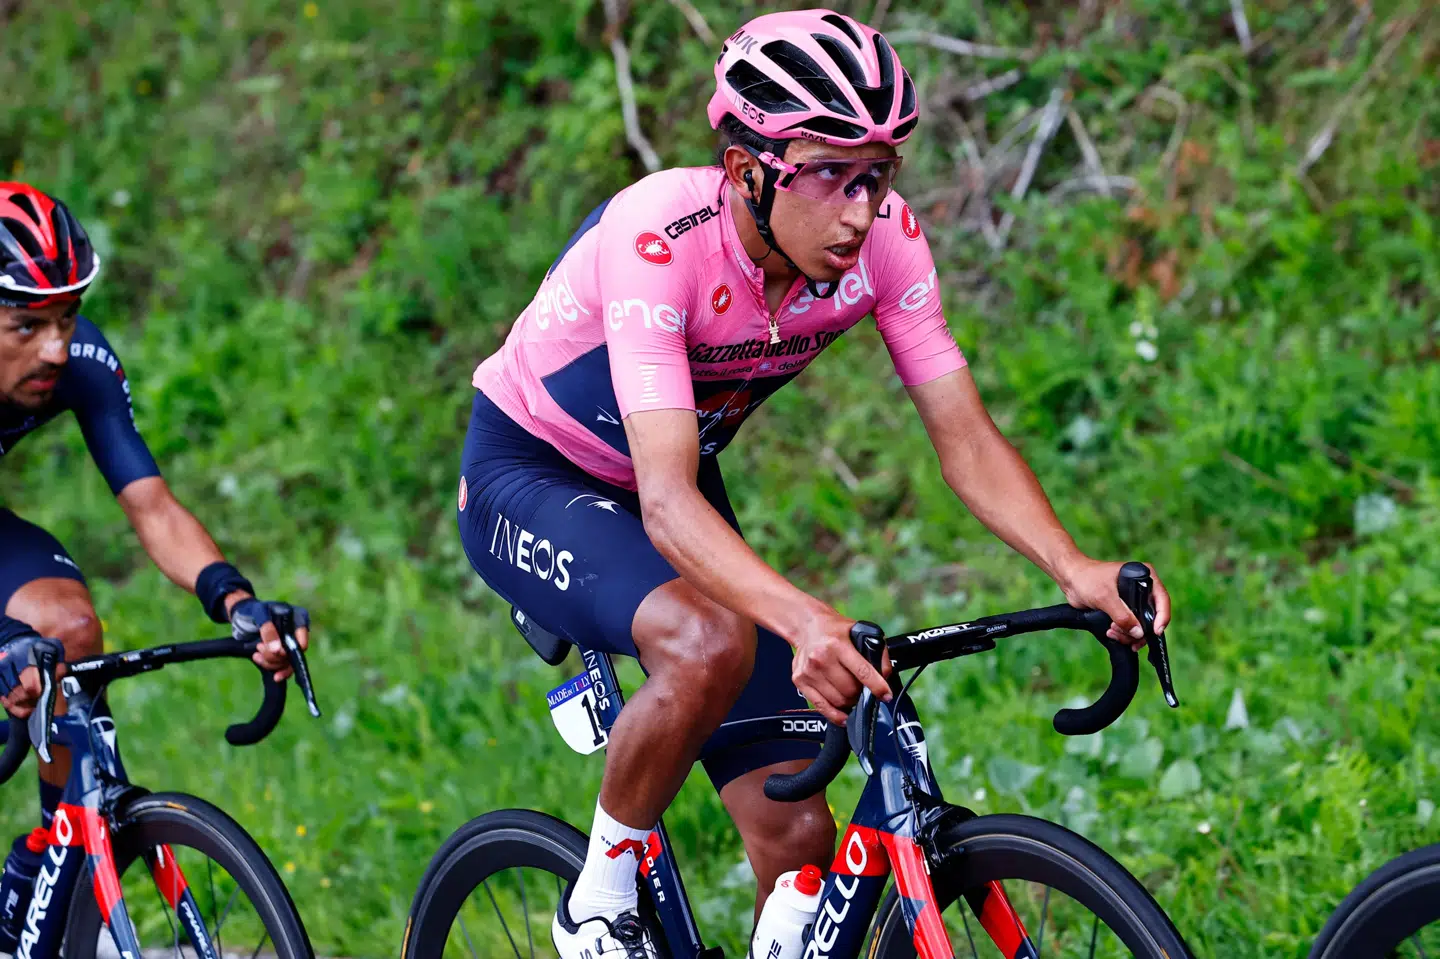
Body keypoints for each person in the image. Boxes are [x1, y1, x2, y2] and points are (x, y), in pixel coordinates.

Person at [456, 10, 1172, 957]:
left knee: (799, 842)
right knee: (707, 639)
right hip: (532, 471)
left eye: (877, 176)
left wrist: (1072, 563)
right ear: (750, 171)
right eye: (832, 175)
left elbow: (963, 438)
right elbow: (666, 503)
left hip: (669, 476)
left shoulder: (883, 245)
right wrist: (800, 620)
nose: (860, 210)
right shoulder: (658, 236)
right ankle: (597, 899)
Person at [0, 181, 310, 948]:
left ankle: (55, 874)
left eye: (67, 317)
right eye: (27, 323)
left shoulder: (78, 362)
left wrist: (234, 598)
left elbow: (153, 506)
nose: (56, 348)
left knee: (67, 632)